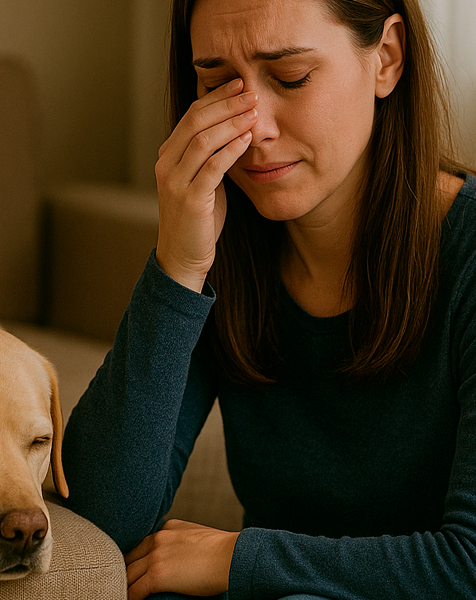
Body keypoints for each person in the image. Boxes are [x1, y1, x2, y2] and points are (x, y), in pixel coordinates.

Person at [61, 0, 476, 598]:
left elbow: (467, 565)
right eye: (217, 86)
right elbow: (98, 525)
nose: (252, 129)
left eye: (290, 78)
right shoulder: (228, 247)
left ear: (386, 58)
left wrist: (238, 557)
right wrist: (177, 269)